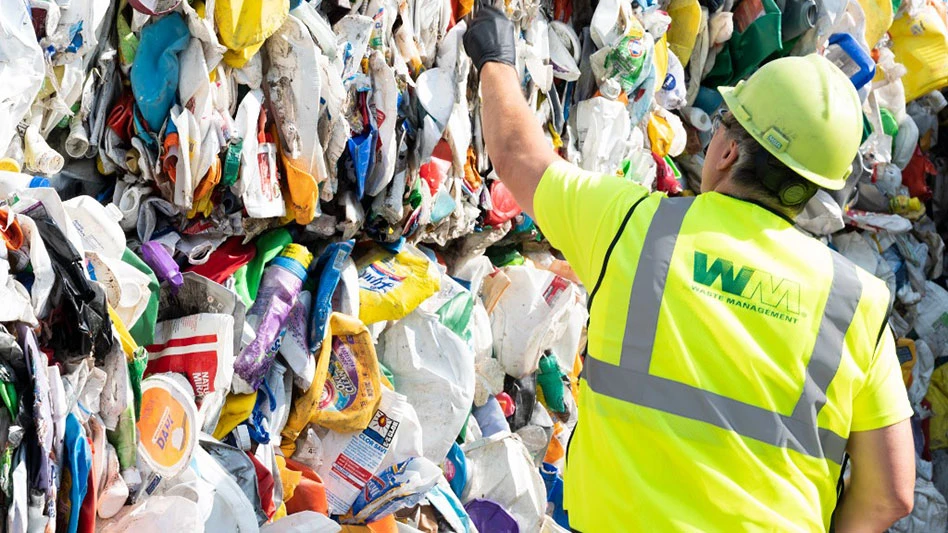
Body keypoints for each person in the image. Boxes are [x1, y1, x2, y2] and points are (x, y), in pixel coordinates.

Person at [463, 7, 916, 532]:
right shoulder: (857, 301)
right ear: (813, 191)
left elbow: (519, 155)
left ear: (725, 150)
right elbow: (892, 494)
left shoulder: (634, 224)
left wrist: (495, 57)